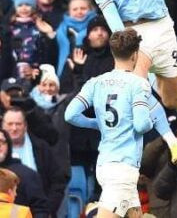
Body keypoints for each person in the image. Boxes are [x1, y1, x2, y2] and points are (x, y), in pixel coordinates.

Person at [65, 28, 153, 218]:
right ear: (135, 54)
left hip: (105, 164)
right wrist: (151, 121)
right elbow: (141, 125)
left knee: (136, 215)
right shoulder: (138, 84)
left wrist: (97, 123)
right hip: (123, 166)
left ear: (113, 53)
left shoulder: (96, 82)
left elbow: (70, 115)